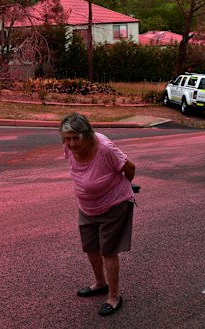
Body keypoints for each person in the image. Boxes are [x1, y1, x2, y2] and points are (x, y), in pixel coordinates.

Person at [60, 112, 136, 317]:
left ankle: (114, 296)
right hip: (87, 207)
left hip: (113, 206)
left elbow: (130, 168)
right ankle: (100, 283)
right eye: (67, 138)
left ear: (87, 134)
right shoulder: (68, 147)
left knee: (108, 252)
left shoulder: (104, 148)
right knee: (91, 248)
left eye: (76, 138)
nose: (72, 144)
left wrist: (124, 184)